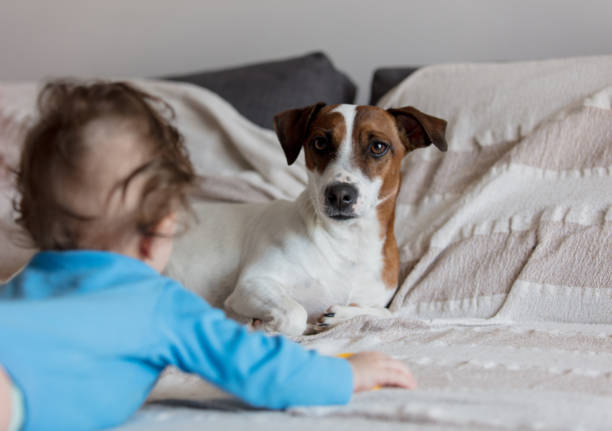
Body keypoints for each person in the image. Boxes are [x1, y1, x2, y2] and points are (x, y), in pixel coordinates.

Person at [0, 81, 415, 431]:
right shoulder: (160, 305)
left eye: (376, 149)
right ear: (159, 233)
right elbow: (258, 368)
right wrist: (348, 374)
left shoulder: (21, 286)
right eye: (323, 146)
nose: (343, 180)